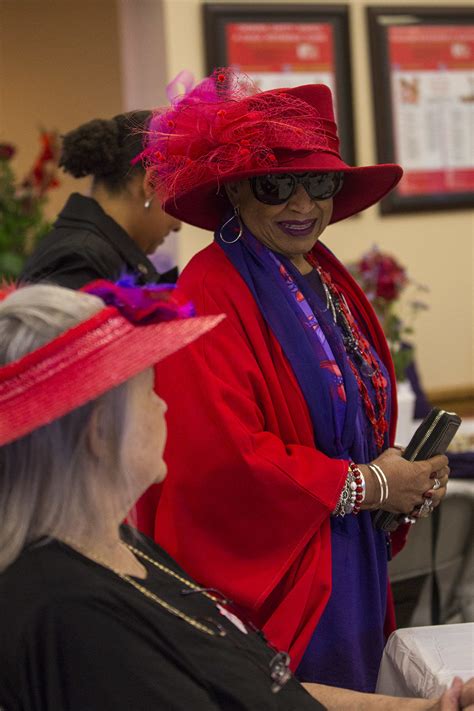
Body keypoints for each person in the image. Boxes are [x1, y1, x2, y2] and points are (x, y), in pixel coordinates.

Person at [0, 281, 471, 711]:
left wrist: (426, 708)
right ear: (99, 433)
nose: (164, 403)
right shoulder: (72, 618)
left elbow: (265, 686)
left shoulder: (121, 547)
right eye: (149, 390)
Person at [137, 69, 451, 692]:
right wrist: (370, 485)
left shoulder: (321, 269)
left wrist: (401, 475)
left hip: (345, 557)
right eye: (276, 185)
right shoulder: (208, 287)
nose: (302, 205)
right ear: (234, 193)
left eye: (320, 182)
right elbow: (220, 458)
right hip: (282, 580)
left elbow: (353, 412)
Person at [19, 111, 181, 289]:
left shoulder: (91, 253)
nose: (178, 225)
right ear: (150, 184)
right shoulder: (81, 261)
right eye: (178, 195)